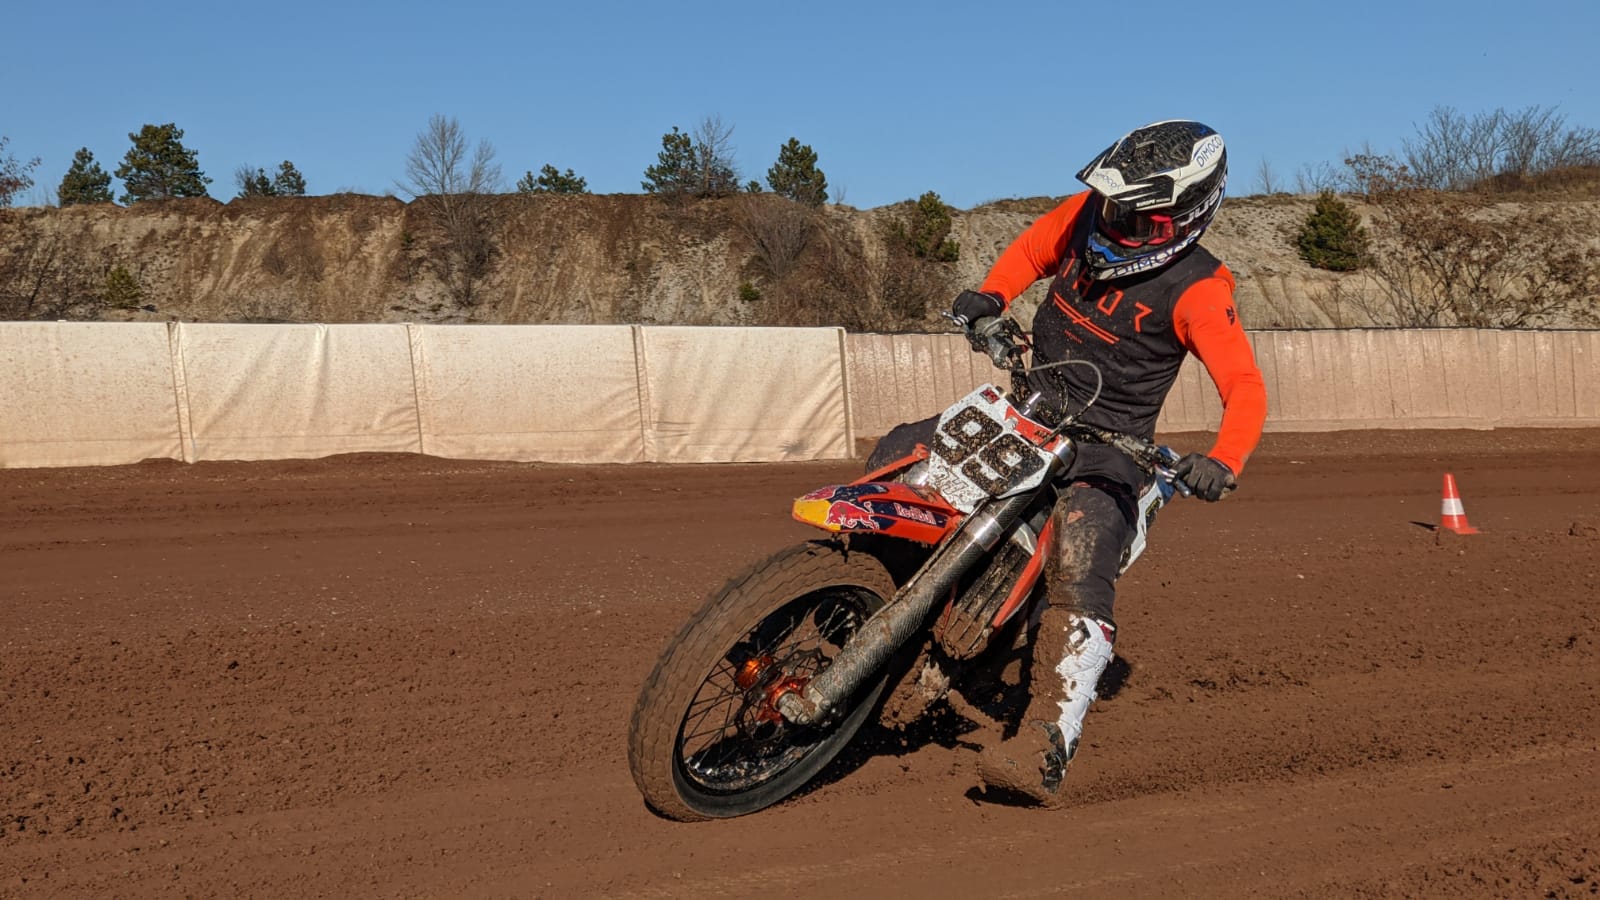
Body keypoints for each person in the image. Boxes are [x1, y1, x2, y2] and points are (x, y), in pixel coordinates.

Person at [870, 120, 1267, 805]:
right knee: (901, 451)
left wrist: (1224, 461)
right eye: (1112, 205)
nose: (1113, 222)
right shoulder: (1088, 215)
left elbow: (1246, 387)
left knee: (1082, 555)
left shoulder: (1201, 287)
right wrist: (993, 296)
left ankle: (1045, 740)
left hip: (1110, 451)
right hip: (1032, 409)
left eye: (1133, 216)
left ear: (1184, 216)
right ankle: (862, 596)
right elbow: (1032, 246)